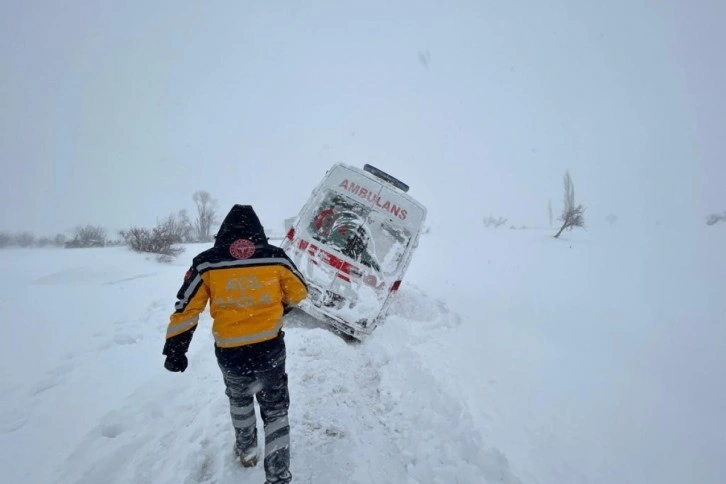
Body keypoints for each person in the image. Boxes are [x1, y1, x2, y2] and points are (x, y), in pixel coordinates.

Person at [163, 205, 308, 484]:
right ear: (259, 231)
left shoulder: (206, 263)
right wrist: (281, 305)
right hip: (269, 349)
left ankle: (247, 450)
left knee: (240, 400)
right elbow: (300, 292)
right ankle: (278, 476)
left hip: (231, 353)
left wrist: (176, 349)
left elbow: (186, 309)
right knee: (276, 409)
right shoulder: (275, 258)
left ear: (223, 232)